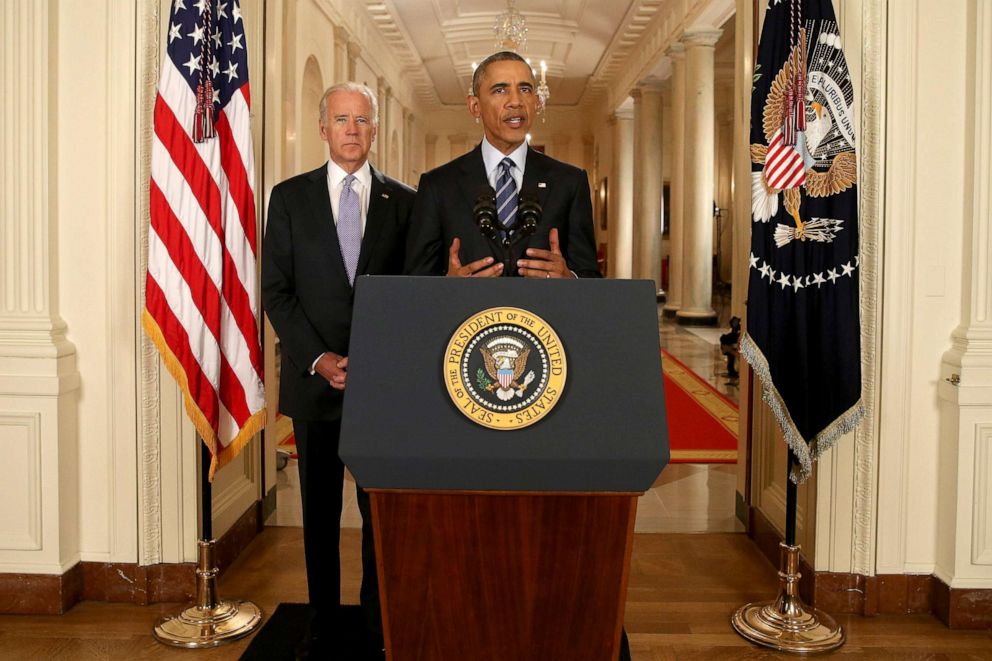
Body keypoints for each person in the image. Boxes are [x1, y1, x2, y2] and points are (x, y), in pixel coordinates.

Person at [261, 82, 415, 659]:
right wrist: (319, 359)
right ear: (323, 128)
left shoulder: (405, 202)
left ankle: (381, 626)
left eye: (362, 120)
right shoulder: (290, 198)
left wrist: (382, 360)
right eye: (341, 119)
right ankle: (321, 623)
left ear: (374, 131)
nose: (352, 130)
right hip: (315, 382)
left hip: (382, 389)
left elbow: (413, 293)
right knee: (319, 515)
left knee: (380, 517)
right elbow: (277, 292)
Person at [404, 50, 601, 279]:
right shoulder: (437, 186)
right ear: (475, 106)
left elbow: (590, 277)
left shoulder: (570, 182)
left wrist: (570, 279)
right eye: (500, 90)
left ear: (536, 102)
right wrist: (447, 288)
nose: (516, 101)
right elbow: (415, 281)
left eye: (525, 89)